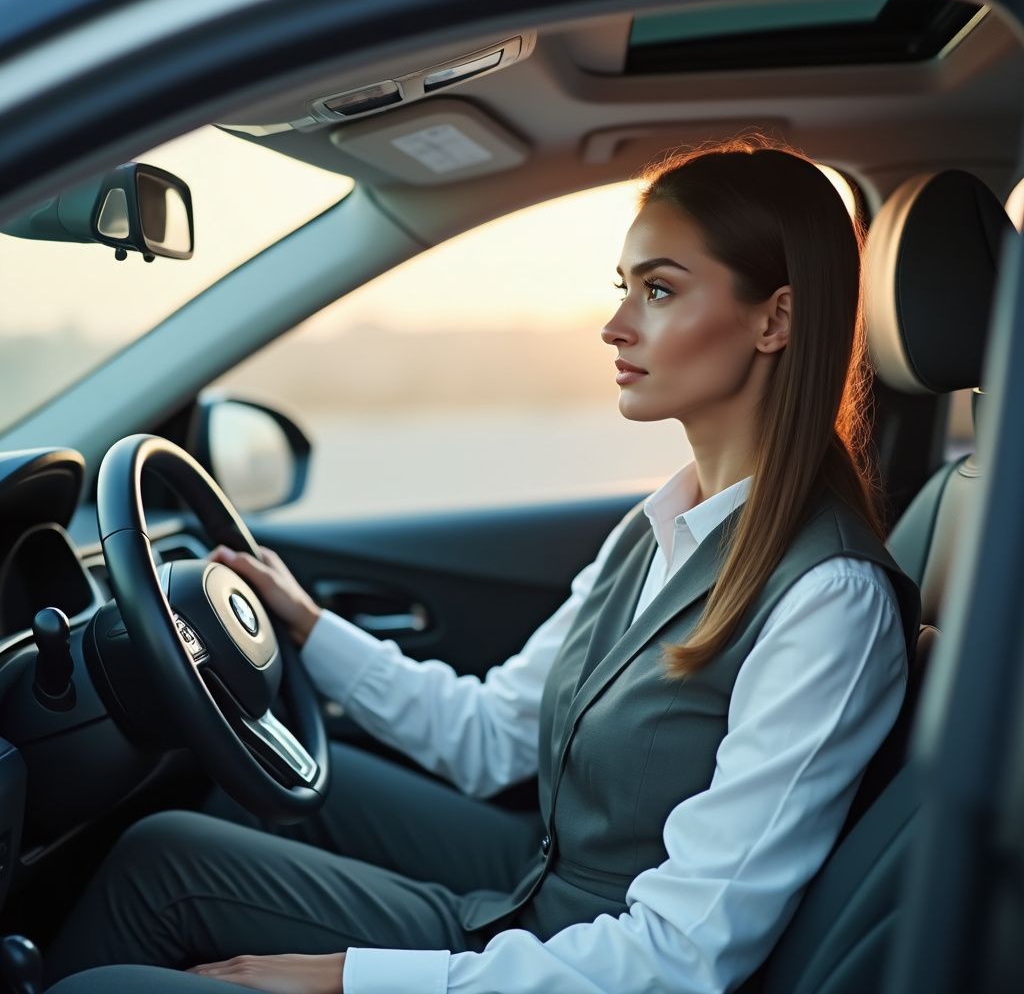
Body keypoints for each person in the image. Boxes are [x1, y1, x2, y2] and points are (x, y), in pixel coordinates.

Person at [44, 134, 920, 994]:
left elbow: (682, 958)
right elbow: (494, 735)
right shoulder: (660, 524)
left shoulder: (828, 600)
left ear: (777, 318)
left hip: (591, 954)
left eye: (658, 291)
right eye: (624, 288)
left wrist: (354, 979)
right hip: (537, 887)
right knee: (166, 848)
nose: (615, 325)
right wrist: (307, 627)